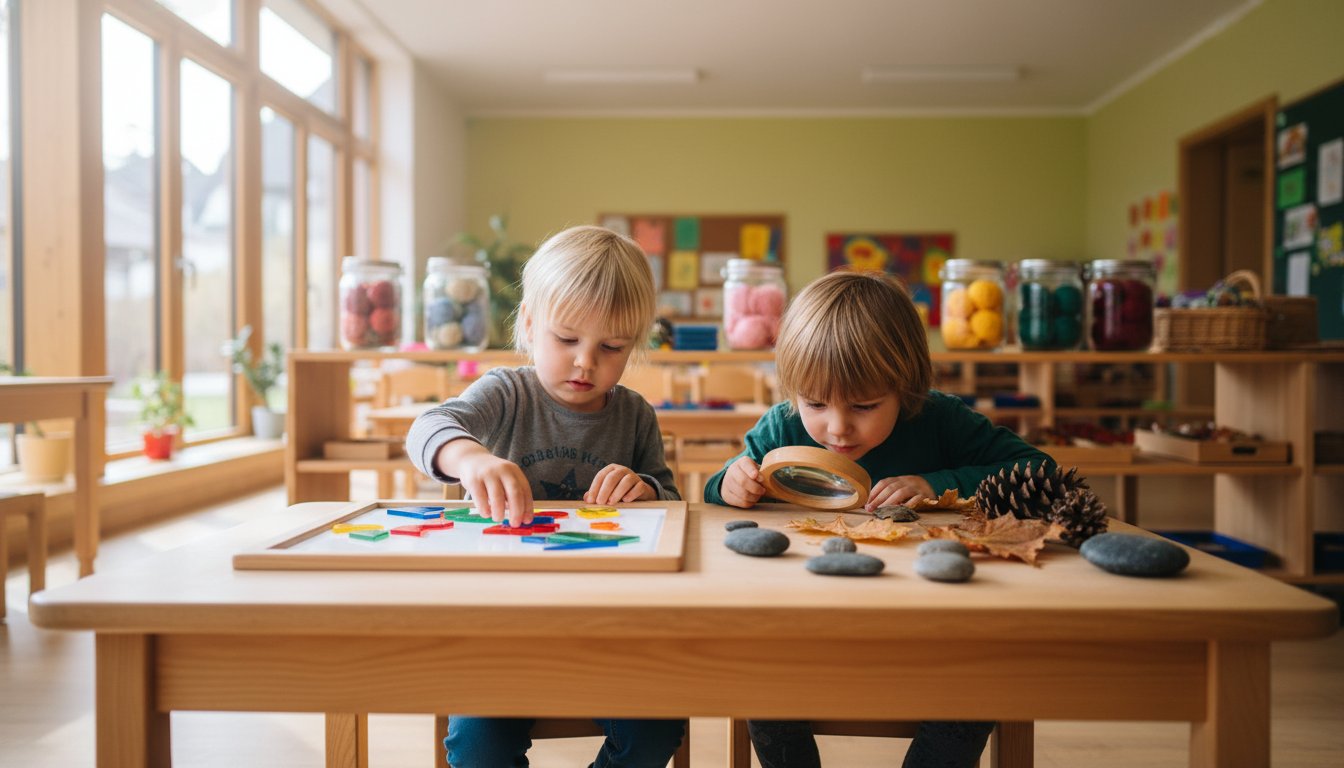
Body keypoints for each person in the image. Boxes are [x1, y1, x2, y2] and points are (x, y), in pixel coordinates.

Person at [704, 270, 1052, 768]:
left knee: (980, 690)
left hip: (934, 630)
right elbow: (716, 493)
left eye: (865, 405)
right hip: (805, 630)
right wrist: (730, 483)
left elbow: (1041, 470)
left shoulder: (939, 419)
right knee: (763, 686)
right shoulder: (781, 427)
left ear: (906, 387)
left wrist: (939, 482)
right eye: (816, 403)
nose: (838, 427)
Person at [407, 224, 685, 768]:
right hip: (501, 624)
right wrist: (471, 457)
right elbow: (428, 427)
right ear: (530, 323)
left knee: (657, 728)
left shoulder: (633, 413)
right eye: (567, 340)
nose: (586, 362)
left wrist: (645, 488)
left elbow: (669, 498)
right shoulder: (506, 392)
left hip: (611, 626)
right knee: (476, 746)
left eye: (611, 347)